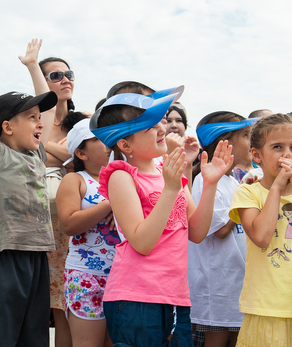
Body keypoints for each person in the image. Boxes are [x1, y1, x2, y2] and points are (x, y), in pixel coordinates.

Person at [89, 90, 233, 346]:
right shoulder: (121, 176)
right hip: (136, 297)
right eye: (148, 127)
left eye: (160, 123)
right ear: (125, 145)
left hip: (176, 296)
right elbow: (142, 242)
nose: (161, 129)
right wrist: (169, 187)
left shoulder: (167, 173)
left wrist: (210, 184)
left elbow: (197, 233)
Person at [0, 12, 58, 347]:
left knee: (33, 337)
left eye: (39, 118)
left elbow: (50, 109)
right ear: (6, 126)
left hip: (38, 257)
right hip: (7, 256)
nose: (39, 123)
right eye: (30, 117)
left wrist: (34, 66)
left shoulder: (36, 153)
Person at [188, 112, 258, 347]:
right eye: (246, 136)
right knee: (215, 341)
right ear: (223, 143)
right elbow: (218, 230)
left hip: (235, 281)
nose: (252, 141)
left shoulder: (232, 181)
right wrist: (244, 206)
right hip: (216, 284)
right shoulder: (206, 180)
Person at [229, 113, 292, 347]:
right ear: (257, 155)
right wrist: (277, 188)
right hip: (268, 308)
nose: (287, 154)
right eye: (278, 147)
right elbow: (262, 237)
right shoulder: (249, 193)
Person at [57, 118, 118, 347]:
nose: (108, 143)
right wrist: (110, 203)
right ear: (81, 153)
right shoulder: (75, 180)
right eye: (99, 138)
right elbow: (69, 223)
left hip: (122, 276)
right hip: (86, 277)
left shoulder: (124, 179)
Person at [38, 56, 76, 347]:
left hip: (78, 223)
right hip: (43, 226)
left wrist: (39, 143)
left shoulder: (84, 120)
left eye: (68, 73)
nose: (65, 79)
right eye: (55, 75)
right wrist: (68, 155)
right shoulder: (32, 120)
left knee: (78, 305)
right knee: (56, 307)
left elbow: (90, 159)